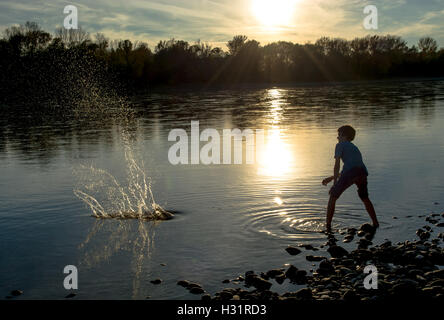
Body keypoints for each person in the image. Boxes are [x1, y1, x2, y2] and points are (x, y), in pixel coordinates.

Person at [322, 125, 379, 232]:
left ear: (344, 136)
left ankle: (328, 226)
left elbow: (338, 165)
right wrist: (331, 178)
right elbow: (351, 168)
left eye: (339, 135)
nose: (337, 137)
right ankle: (375, 223)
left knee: (332, 196)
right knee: (365, 198)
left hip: (351, 173)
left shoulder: (340, 145)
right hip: (362, 173)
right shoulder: (354, 147)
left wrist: (334, 183)